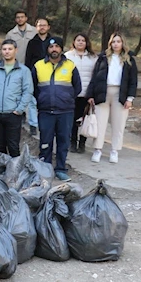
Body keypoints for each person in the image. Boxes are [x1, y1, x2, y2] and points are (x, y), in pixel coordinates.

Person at [32, 36, 81, 181]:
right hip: (46, 111)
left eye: (57, 47)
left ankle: (60, 168)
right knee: (45, 141)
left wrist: (66, 98)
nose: (54, 49)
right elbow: (34, 87)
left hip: (65, 111)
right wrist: (42, 99)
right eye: (51, 47)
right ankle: (45, 169)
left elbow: (77, 87)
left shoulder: (70, 65)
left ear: (61, 48)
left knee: (63, 141)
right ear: (47, 49)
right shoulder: (38, 65)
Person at [86, 33, 138, 164]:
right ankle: (98, 149)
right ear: (110, 43)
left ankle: (114, 150)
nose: (116, 44)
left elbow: (133, 81)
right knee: (100, 123)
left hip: (120, 94)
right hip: (102, 92)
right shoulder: (103, 57)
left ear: (122, 43)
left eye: (118, 41)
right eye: (113, 41)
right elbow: (95, 76)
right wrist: (91, 94)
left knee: (118, 124)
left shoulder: (129, 59)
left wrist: (130, 98)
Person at [0, 39, 34, 158]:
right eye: (4, 49)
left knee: (13, 146)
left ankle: (15, 173)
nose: (7, 52)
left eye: (10, 49)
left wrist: (19, 109)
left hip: (13, 114)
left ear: (15, 50)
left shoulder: (23, 71)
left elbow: (28, 91)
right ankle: (1, 173)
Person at [64, 33, 98, 154]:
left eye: (83, 40)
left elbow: (95, 76)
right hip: (72, 93)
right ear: (74, 42)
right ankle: (72, 142)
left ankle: (82, 143)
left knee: (85, 119)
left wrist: (92, 94)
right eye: (78, 40)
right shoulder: (67, 56)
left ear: (86, 42)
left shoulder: (93, 57)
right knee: (73, 119)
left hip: (87, 94)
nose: (80, 42)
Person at [24, 18, 56, 136]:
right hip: (34, 74)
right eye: (39, 25)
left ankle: (48, 124)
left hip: (50, 74)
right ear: (36, 27)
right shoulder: (32, 42)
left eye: (44, 25)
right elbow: (28, 59)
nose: (42, 27)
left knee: (48, 100)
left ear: (48, 27)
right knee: (33, 101)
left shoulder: (53, 42)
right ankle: (33, 124)